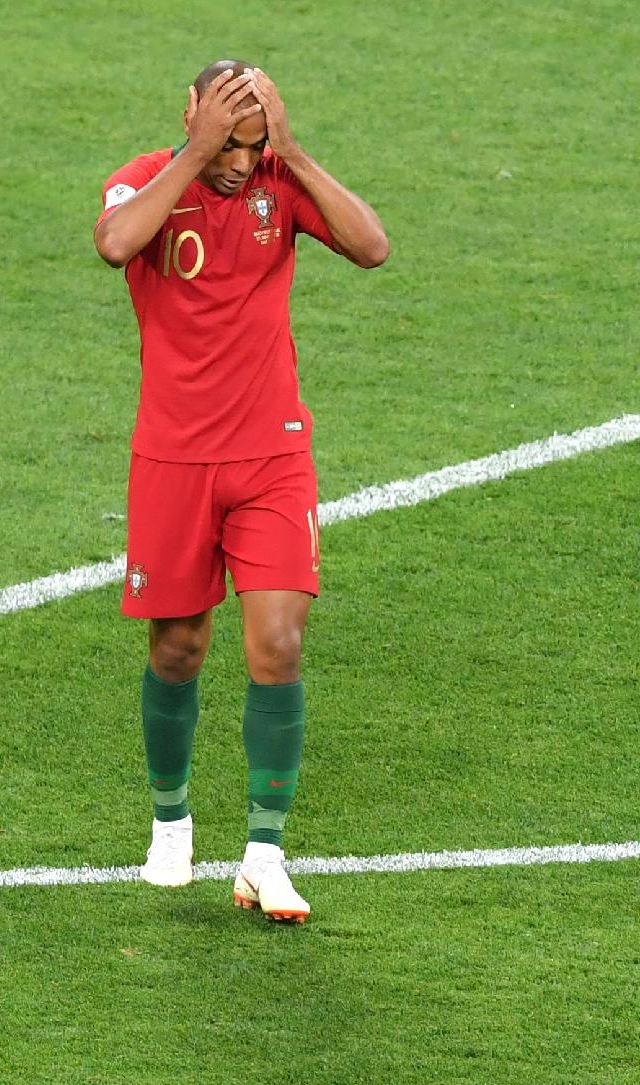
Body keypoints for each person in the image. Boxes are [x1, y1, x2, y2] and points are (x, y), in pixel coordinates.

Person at [94, 60, 389, 922]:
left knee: (280, 643)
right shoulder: (146, 179)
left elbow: (372, 247)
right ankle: (171, 823)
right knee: (178, 649)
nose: (237, 162)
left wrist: (290, 153)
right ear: (189, 114)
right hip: (175, 459)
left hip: (270, 455)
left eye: (249, 144)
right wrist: (195, 154)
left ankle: (265, 850)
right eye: (228, 141)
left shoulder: (277, 179)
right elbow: (115, 244)